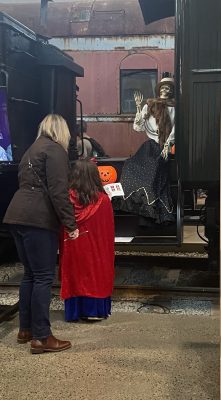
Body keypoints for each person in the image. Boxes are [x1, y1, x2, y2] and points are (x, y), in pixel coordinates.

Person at [3, 114, 79, 354]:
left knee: (30, 276)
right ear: (61, 131)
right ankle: (42, 337)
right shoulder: (55, 150)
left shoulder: (31, 150)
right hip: (38, 219)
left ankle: (25, 330)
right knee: (44, 277)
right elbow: (59, 191)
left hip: (16, 215)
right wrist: (71, 223)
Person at [113, 77, 175, 224]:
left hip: (162, 146)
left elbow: (175, 128)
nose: (165, 90)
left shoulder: (173, 107)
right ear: (159, 89)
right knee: (131, 167)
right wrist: (139, 108)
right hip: (149, 146)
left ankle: (148, 217)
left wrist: (167, 144)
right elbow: (138, 128)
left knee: (152, 175)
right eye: (163, 87)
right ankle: (142, 213)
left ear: (171, 91)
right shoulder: (149, 106)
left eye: (168, 88)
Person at [59, 159, 115, 322]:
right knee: (96, 272)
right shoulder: (103, 201)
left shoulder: (66, 200)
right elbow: (107, 234)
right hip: (96, 251)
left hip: (74, 249)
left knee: (74, 275)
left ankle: (75, 313)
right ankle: (95, 311)